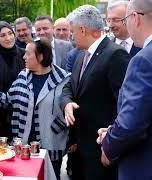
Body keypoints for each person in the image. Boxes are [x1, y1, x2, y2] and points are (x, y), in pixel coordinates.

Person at [0, 38, 70, 180]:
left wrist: (58, 127)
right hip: (23, 146)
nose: (23, 57)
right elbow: (9, 101)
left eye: (28, 54)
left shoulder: (63, 80)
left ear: (40, 57)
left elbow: (70, 111)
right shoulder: (23, 76)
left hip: (51, 144)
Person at [61, 5, 131, 180]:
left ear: (83, 30)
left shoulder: (115, 55)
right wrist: (67, 103)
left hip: (100, 152)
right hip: (78, 149)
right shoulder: (80, 55)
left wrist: (110, 146)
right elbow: (69, 86)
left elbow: (123, 105)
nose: (72, 36)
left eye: (72, 32)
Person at [97, 0, 152, 179]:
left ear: (135, 18)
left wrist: (108, 145)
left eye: (125, 18)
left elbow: (131, 124)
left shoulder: (143, 60)